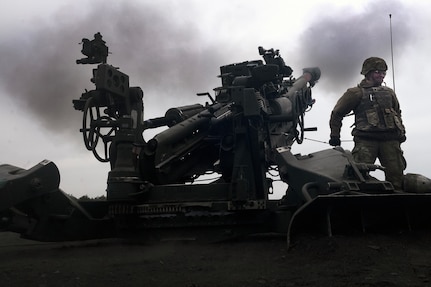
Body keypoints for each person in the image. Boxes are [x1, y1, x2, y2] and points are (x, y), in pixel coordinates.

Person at [329, 57, 406, 190]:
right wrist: (335, 135)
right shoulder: (355, 93)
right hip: (366, 141)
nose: (381, 75)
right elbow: (337, 113)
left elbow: (397, 112)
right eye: (377, 71)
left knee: (396, 177)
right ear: (368, 73)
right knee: (358, 178)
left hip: (390, 140)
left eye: (383, 72)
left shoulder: (389, 93)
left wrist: (401, 132)